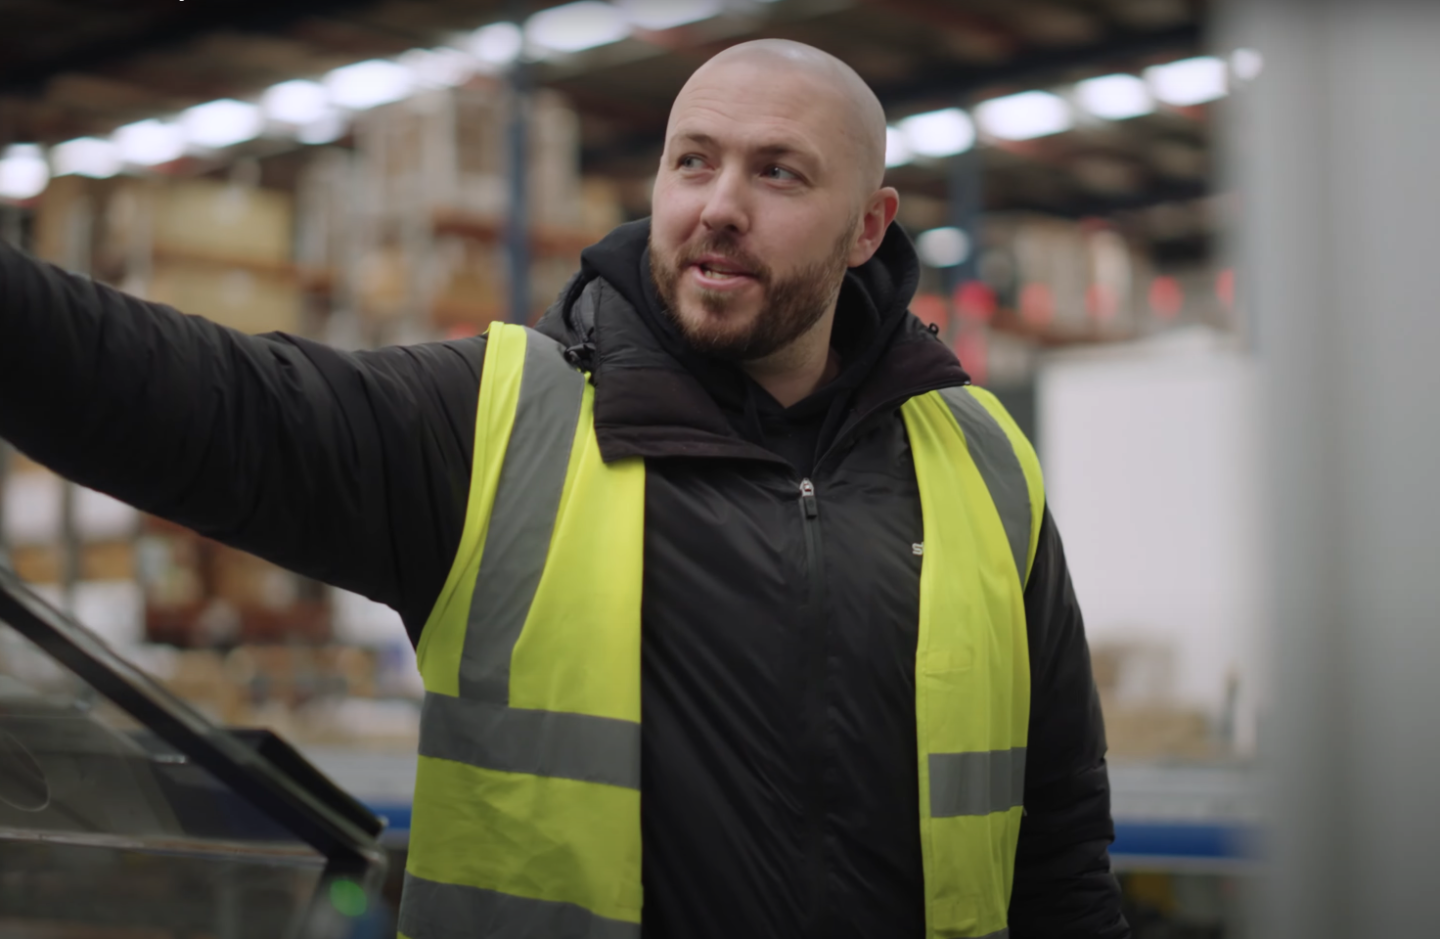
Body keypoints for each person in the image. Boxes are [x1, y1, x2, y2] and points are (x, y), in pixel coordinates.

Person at [0, 39, 1127, 939]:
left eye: (776, 171)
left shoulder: (979, 462)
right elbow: (209, 405)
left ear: (868, 226)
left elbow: (1061, 842)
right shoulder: (502, 424)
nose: (718, 205)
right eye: (694, 161)